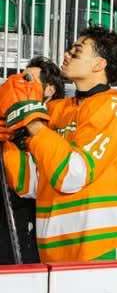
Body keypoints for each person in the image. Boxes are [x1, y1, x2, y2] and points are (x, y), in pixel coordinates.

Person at [0, 27, 117, 262]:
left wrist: (32, 121)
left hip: (107, 248)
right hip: (56, 253)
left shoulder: (116, 107)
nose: (67, 54)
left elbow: (73, 174)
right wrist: (8, 139)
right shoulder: (55, 110)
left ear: (99, 64)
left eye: (77, 51)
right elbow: (29, 184)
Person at [0, 58, 65, 265]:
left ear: (50, 90)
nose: (20, 82)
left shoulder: (56, 122)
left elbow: (32, 184)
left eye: (29, 79)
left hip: (34, 222)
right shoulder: (7, 114)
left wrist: (12, 142)